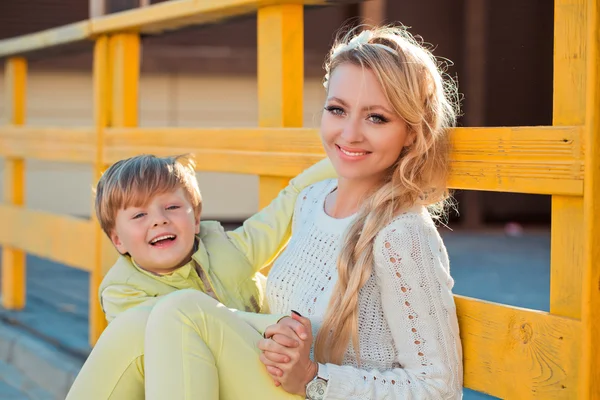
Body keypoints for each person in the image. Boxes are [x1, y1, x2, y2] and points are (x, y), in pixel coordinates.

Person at [68, 23, 463, 400]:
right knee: (138, 323)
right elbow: (308, 182)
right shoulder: (311, 202)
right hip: (269, 381)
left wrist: (314, 377)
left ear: (412, 132)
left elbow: (439, 390)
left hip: (312, 391)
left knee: (181, 310)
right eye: (337, 110)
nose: (350, 133)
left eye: (377, 117)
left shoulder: (401, 234)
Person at [94, 153, 335, 324]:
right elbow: (179, 335)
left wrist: (348, 159)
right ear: (118, 241)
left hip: (266, 368)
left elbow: (291, 198)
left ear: (196, 220)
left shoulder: (230, 249)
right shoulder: (122, 292)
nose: (159, 219)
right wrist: (269, 326)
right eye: (139, 214)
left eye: (172, 206)